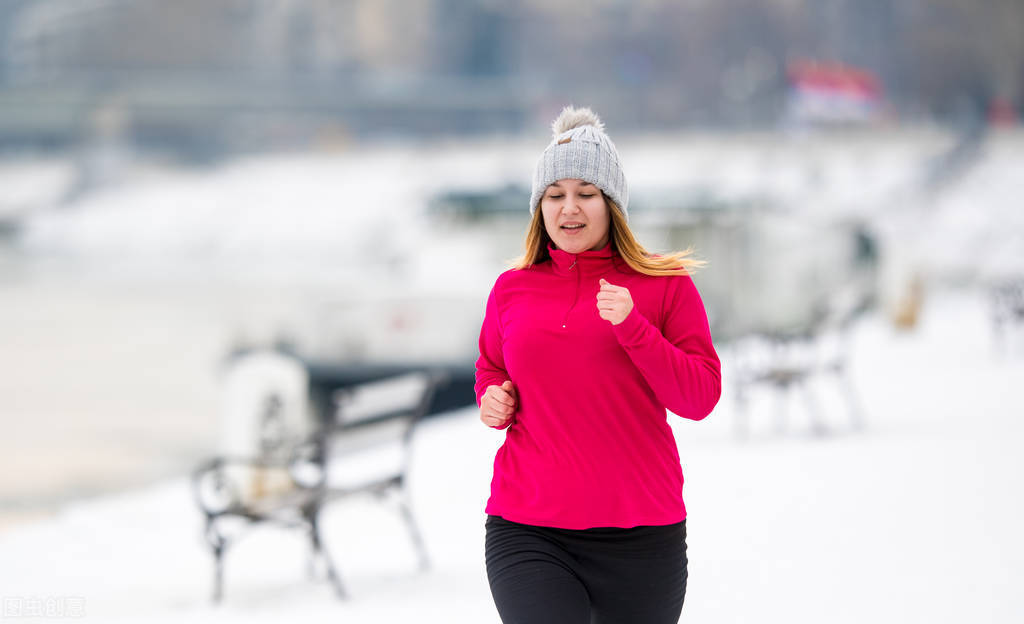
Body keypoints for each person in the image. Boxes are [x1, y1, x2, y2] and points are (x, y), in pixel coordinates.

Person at [474, 106, 722, 624]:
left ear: (612, 204)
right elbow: (490, 367)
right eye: (555, 194)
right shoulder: (511, 288)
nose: (569, 208)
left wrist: (634, 329)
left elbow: (699, 398)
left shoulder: (665, 285)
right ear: (538, 206)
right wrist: (492, 396)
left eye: (585, 194)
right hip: (527, 525)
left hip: (640, 534)